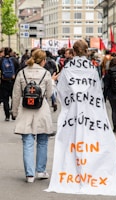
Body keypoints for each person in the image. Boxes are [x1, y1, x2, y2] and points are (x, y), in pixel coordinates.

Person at [45, 39, 116, 195]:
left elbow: (62, 90)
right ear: (86, 51)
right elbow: (97, 92)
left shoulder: (68, 68)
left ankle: (73, 169)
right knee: (88, 139)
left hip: (72, 113)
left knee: (71, 141)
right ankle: (88, 169)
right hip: (90, 113)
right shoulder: (92, 69)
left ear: (73, 51)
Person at [11, 49, 53, 183]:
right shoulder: (46, 73)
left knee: (28, 142)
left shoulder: (21, 72)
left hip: (25, 110)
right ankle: (40, 170)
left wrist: (14, 112)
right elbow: (49, 95)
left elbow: (16, 94)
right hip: (41, 110)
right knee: (42, 141)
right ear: (43, 60)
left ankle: (30, 175)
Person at [0, 47, 20, 121]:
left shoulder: (1, 60)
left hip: (4, 81)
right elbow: (19, 68)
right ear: (11, 52)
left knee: (5, 99)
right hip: (13, 82)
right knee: (13, 98)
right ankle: (13, 111)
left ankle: (7, 115)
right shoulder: (14, 60)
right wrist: (14, 74)